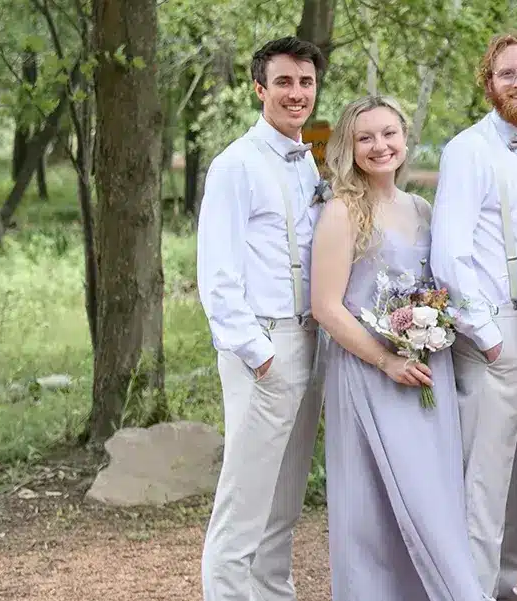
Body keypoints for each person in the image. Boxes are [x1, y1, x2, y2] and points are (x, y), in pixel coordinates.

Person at [309, 96, 490, 601]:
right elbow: (326, 306)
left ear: (405, 139)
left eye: (388, 133)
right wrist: (386, 359)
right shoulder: (343, 211)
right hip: (370, 373)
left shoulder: (422, 209)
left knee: (433, 499)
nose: (379, 146)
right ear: (349, 147)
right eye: (365, 137)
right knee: (371, 510)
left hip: (428, 373)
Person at [431, 30, 517, 601]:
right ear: (489, 83)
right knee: (483, 482)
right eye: (507, 73)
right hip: (496, 333)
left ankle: (504, 586)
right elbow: (448, 254)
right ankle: (471, 592)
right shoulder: (467, 150)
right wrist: (487, 337)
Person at [196, 36, 327, 601]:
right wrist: (261, 356)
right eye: (284, 82)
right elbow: (217, 275)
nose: (297, 93)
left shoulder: (309, 162)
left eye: (306, 82)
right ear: (259, 89)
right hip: (265, 347)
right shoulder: (235, 165)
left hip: (309, 340)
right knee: (244, 505)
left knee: (284, 503)